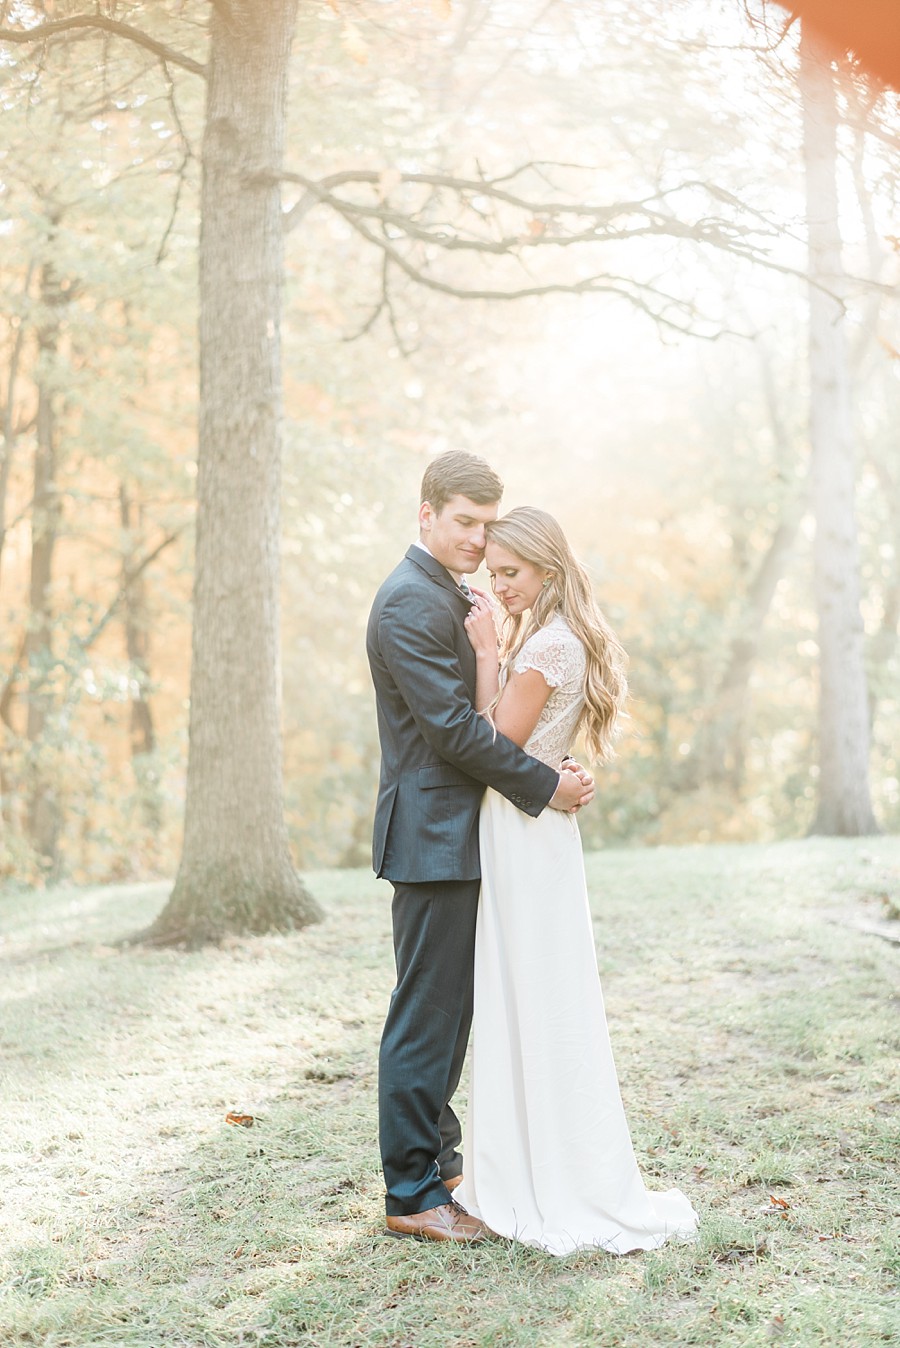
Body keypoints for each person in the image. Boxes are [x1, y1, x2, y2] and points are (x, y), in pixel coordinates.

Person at [456, 506, 699, 1255]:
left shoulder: (547, 648)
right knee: (539, 995)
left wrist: (489, 654)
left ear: (549, 569)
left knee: (528, 994)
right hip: (537, 831)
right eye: (492, 574)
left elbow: (492, 744)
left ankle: (543, 1174)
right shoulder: (557, 639)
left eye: (511, 574)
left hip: (521, 833)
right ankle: (537, 1156)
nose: (498, 587)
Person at [366, 453, 594, 1244]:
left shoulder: (452, 596)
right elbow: (456, 731)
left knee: (453, 1016)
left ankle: (443, 1162)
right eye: (463, 521)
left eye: (486, 526)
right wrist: (543, 785)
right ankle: (410, 1194)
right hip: (432, 837)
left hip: (467, 835)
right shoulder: (406, 604)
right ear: (425, 512)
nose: (475, 539)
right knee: (425, 1017)